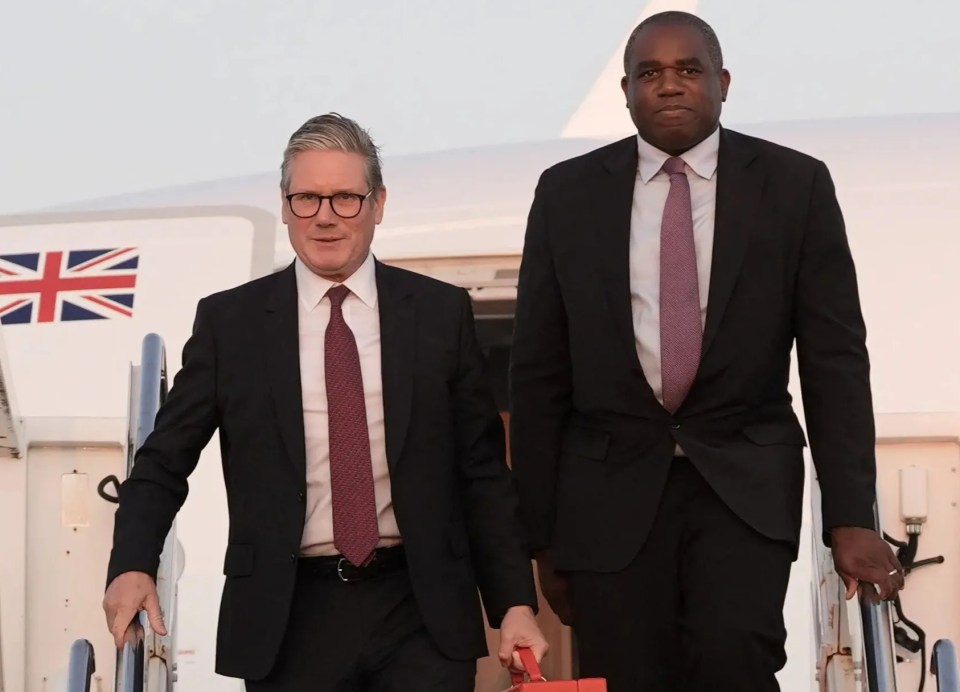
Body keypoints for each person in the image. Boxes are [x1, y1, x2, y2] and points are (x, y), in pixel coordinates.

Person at [509, 11, 902, 691]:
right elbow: (539, 375)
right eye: (649, 73)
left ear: (722, 83)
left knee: (734, 661)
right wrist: (541, 537)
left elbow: (835, 361)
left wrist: (851, 516)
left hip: (741, 486)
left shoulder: (794, 186)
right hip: (606, 500)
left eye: (688, 70)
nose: (669, 86)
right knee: (626, 677)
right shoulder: (566, 194)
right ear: (626, 91)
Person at [103, 113, 547, 691]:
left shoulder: (439, 313)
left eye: (345, 198)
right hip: (287, 617)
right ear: (285, 206)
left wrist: (514, 603)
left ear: (378, 203)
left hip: (419, 610)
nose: (326, 217)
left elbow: (483, 472)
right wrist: (132, 562)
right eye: (307, 198)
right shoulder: (231, 324)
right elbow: (164, 458)